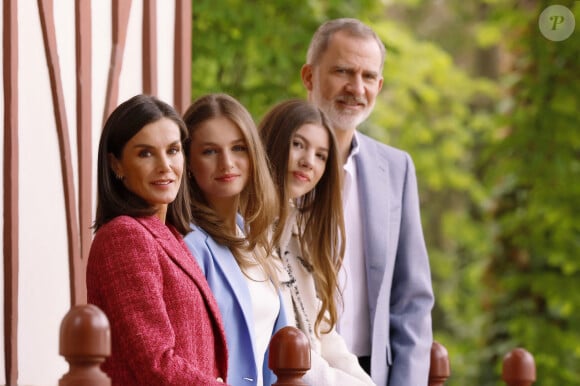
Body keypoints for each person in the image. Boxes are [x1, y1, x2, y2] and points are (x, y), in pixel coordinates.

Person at [300, 18, 435, 385]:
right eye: (343, 71)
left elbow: (412, 299)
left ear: (380, 85)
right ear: (309, 77)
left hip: (373, 372)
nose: (355, 88)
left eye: (368, 76)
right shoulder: (272, 162)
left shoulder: (396, 168)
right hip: (293, 369)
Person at [86, 94, 229, 385]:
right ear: (117, 165)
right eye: (145, 153)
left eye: (173, 150)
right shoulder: (124, 236)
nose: (165, 165)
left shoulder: (171, 236)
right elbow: (155, 362)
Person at [258, 98, 376, 386]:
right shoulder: (249, 234)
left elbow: (324, 336)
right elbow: (292, 352)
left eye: (321, 155)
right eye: (298, 144)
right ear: (273, 142)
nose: (308, 161)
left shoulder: (298, 234)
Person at [182, 93, 288, 386]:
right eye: (210, 152)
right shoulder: (187, 245)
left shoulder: (252, 238)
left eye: (238, 148)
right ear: (188, 162)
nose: (227, 163)